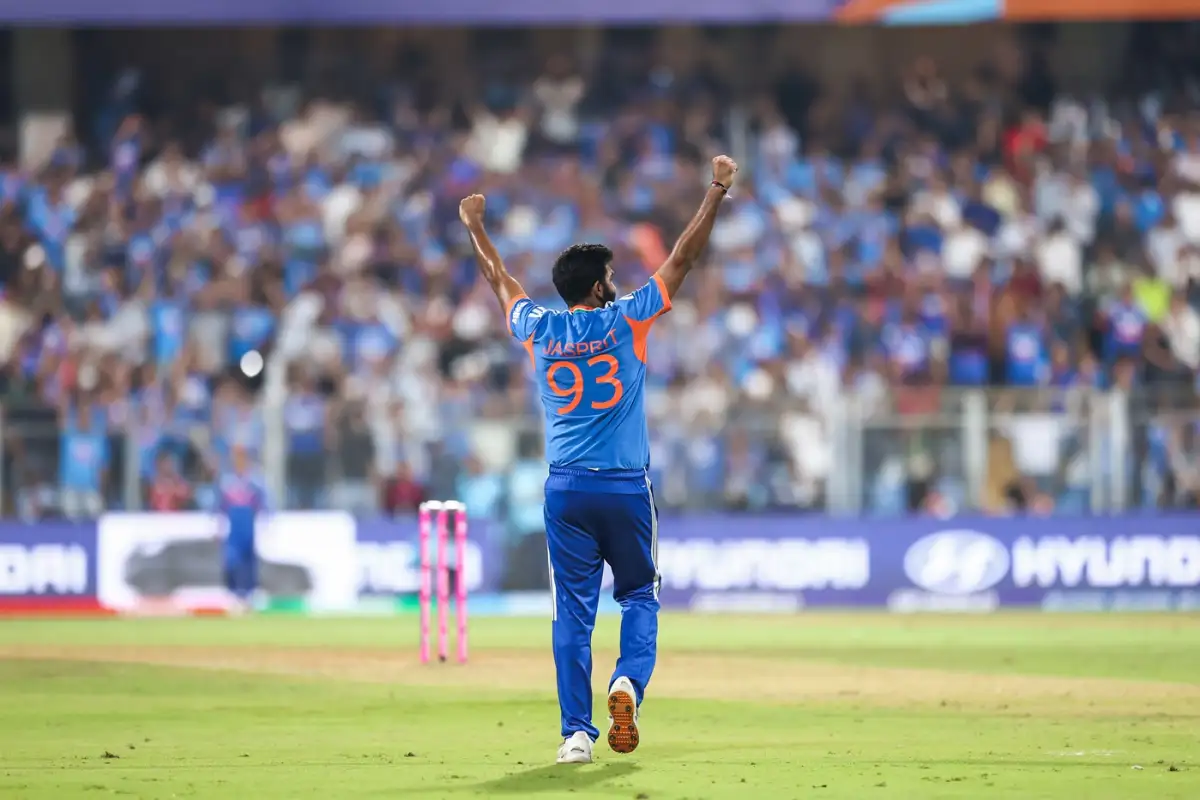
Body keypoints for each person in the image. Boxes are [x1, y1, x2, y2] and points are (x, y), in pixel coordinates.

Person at [459, 155, 738, 765]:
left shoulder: (538, 327)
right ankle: (627, 685)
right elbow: (683, 260)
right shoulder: (626, 319)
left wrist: (475, 227)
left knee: (572, 611)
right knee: (639, 594)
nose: (616, 280)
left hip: (564, 491)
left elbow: (500, 281)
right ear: (597, 287)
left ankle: (576, 735)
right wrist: (715, 190)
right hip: (624, 489)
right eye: (610, 274)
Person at [217, 444, 269, 611]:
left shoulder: (254, 482)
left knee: (249, 564)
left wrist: (266, 521)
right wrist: (216, 524)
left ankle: (249, 597)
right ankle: (234, 596)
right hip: (234, 529)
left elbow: (264, 505)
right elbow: (219, 506)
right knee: (232, 562)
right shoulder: (227, 482)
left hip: (248, 527)